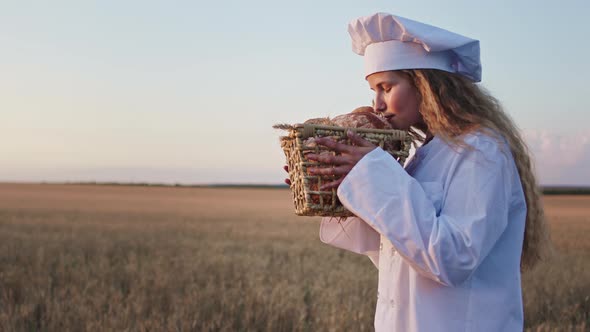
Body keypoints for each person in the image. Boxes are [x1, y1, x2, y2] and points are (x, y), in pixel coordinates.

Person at [284, 12, 548, 331]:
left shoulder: (481, 149)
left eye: (386, 87)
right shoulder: (424, 155)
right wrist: (336, 186)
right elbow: (399, 254)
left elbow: (452, 259)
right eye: (373, 90)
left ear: (427, 85)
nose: (377, 104)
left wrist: (371, 174)